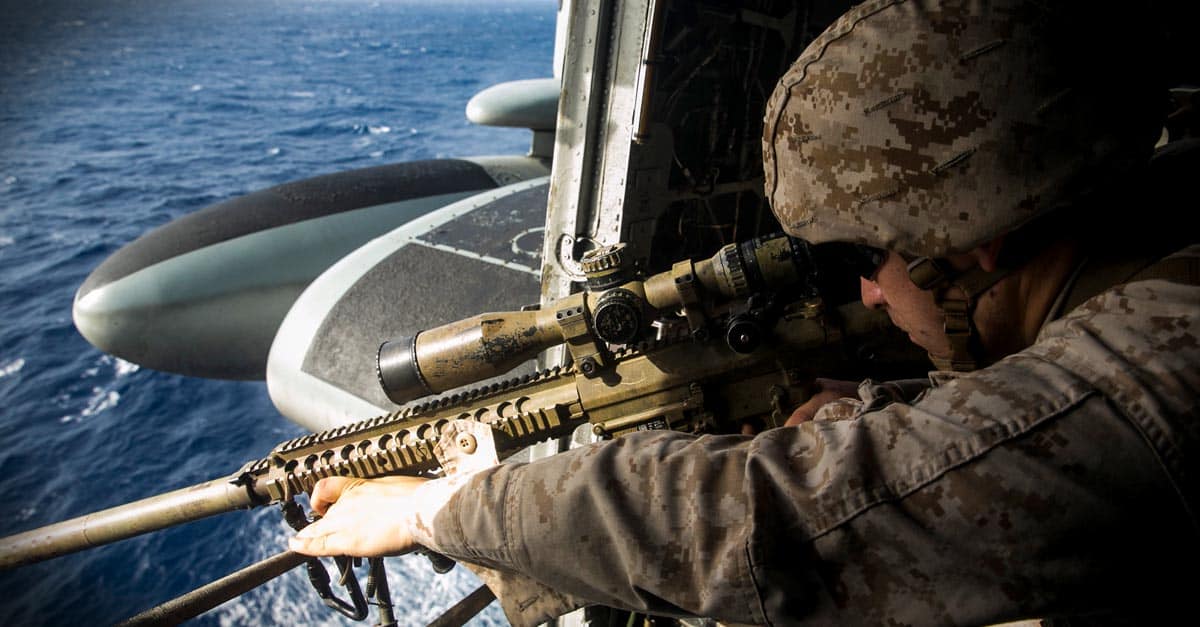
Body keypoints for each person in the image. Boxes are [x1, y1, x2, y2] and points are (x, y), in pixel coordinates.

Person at [290, 1, 1200, 624]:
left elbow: (786, 524)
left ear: (973, 243)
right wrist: (879, 415)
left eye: (867, 258)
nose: (870, 296)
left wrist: (442, 510)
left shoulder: (1163, 361)